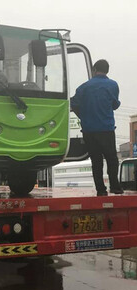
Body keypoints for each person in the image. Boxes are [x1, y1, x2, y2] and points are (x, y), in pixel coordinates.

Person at [70, 59, 124, 196]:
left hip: (89, 130)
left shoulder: (83, 87)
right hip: (106, 129)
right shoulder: (112, 85)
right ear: (107, 70)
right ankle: (115, 187)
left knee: (96, 160)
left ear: (94, 70)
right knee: (112, 159)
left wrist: (83, 116)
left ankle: (101, 190)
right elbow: (115, 105)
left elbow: (73, 104)